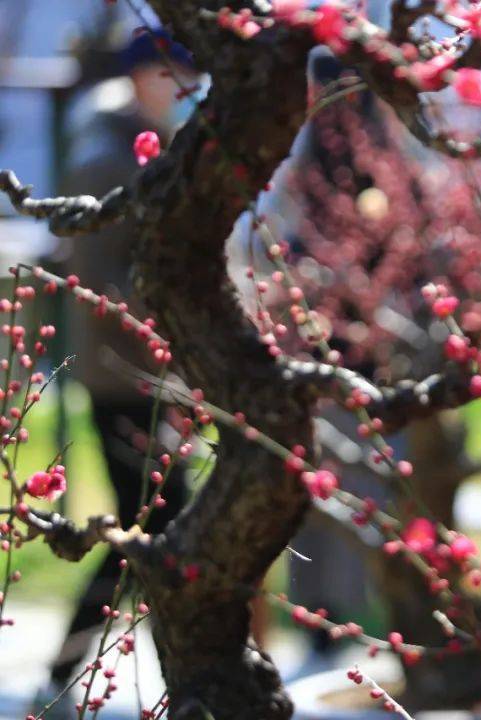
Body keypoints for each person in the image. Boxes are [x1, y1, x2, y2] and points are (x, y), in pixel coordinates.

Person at [37, 28, 199, 710]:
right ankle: (86, 661)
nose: (178, 89)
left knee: (154, 525)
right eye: (167, 73)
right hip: (121, 372)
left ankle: (79, 662)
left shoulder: (145, 149)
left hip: (148, 373)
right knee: (153, 526)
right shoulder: (110, 157)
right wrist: (179, 316)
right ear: (139, 77)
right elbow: (107, 281)